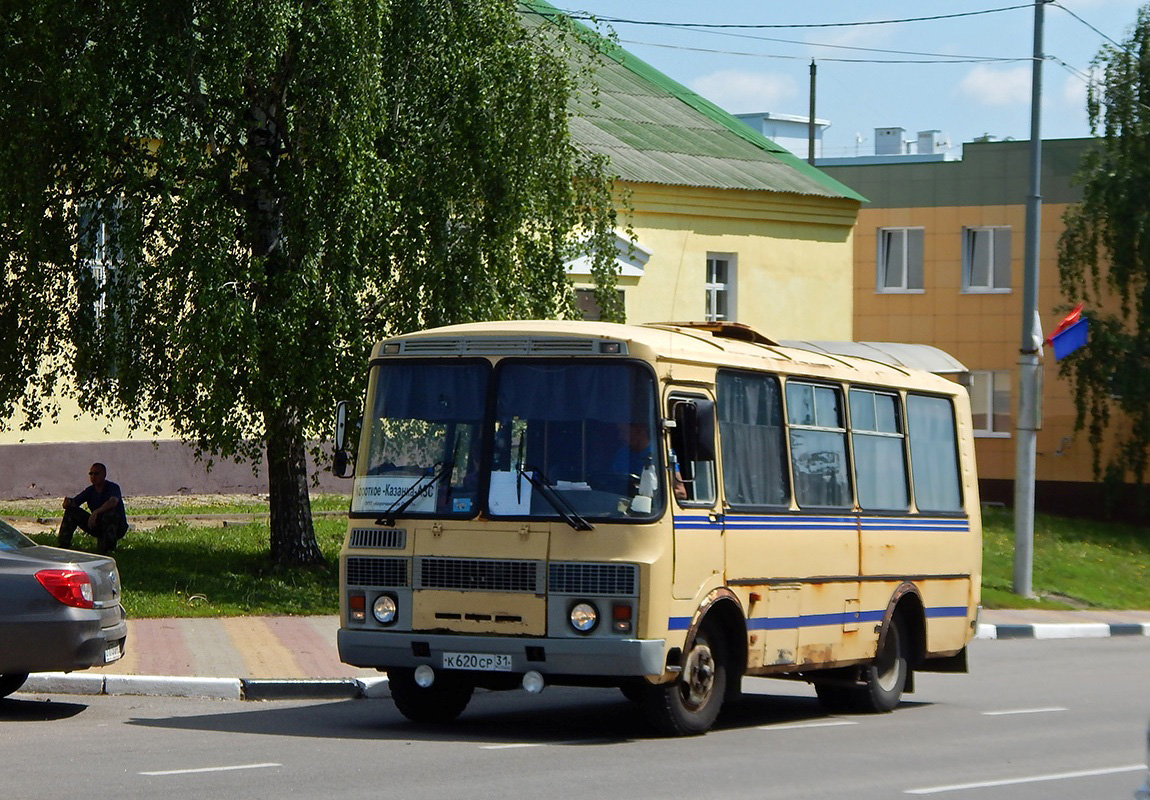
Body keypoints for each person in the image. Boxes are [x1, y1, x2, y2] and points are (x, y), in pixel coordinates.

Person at [58, 463, 128, 554]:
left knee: (110, 514)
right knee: (71, 512)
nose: (93, 476)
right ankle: (63, 545)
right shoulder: (90, 491)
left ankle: (109, 549)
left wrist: (96, 512)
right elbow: (74, 503)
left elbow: (113, 502)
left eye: (96, 474)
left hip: (117, 527)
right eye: (91, 474)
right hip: (96, 524)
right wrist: (67, 503)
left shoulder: (113, 487)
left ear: (104, 475)